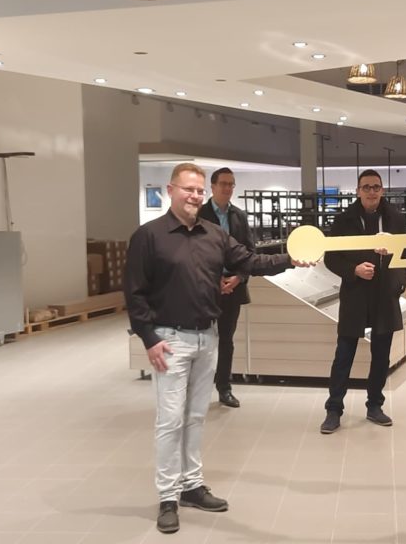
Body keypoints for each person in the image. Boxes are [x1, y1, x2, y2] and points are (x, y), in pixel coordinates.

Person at [124, 163, 302, 534]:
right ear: (171, 190)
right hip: (169, 341)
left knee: (195, 417)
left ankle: (192, 486)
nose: (194, 196)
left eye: (199, 190)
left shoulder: (214, 234)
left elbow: (250, 260)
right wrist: (149, 338)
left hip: (207, 338)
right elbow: (135, 293)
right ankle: (168, 496)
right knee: (170, 421)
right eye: (187, 189)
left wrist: (291, 258)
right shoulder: (149, 236)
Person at [320, 169, 406, 434]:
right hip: (355, 294)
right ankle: (334, 409)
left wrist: (399, 285)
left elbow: (405, 254)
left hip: (384, 295)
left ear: (382, 190)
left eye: (376, 187)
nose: (371, 191)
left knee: (381, 356)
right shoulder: (344, 220)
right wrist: (354, 270)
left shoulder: (395, 218)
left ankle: (375, 406)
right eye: (366, 187)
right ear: (358, 190)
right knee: (343, 355)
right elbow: (331, 258)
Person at [199, 167, 253, 409]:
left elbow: (249, 252)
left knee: (226, 340)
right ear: (212, 186)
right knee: (201, 340)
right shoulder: (199, 214)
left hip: (232, 287)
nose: (228, 188)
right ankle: (198, 389)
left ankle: (224, 388)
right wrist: (214, 280)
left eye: (231, 184)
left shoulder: (239, 216)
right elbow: (193, 253)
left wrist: (239, 277)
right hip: (204, 288)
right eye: (223, 184)